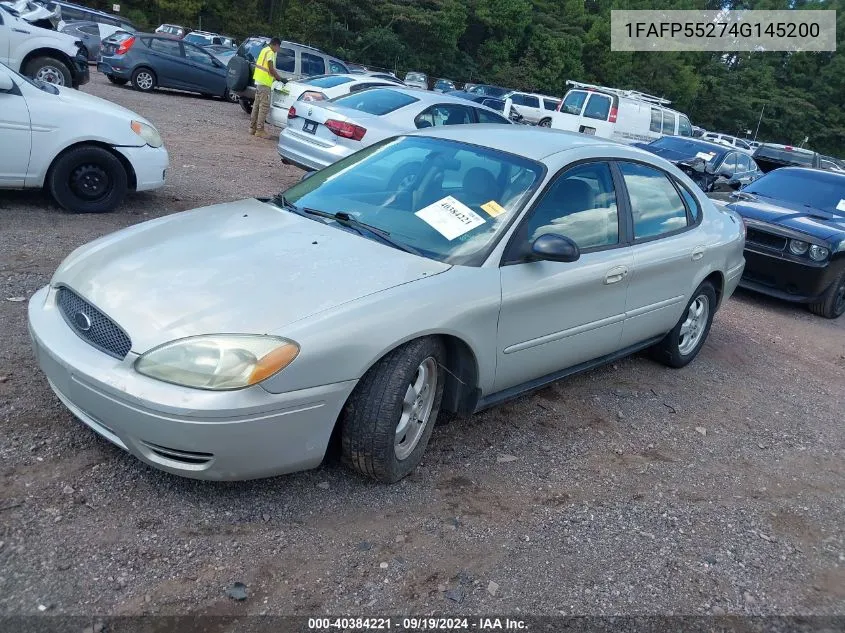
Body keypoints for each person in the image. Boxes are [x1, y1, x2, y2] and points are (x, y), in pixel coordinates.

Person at [250, 37, 282, 138]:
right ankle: (260, 130)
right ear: (276, 45)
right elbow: (270, 68)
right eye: (278, 47)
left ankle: (252, 128)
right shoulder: (270, 52)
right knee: (264, 107)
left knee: (256, 105)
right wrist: (279, 78)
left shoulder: (264, 50)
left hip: (258, 81)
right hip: (265, 83)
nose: (278, 50)